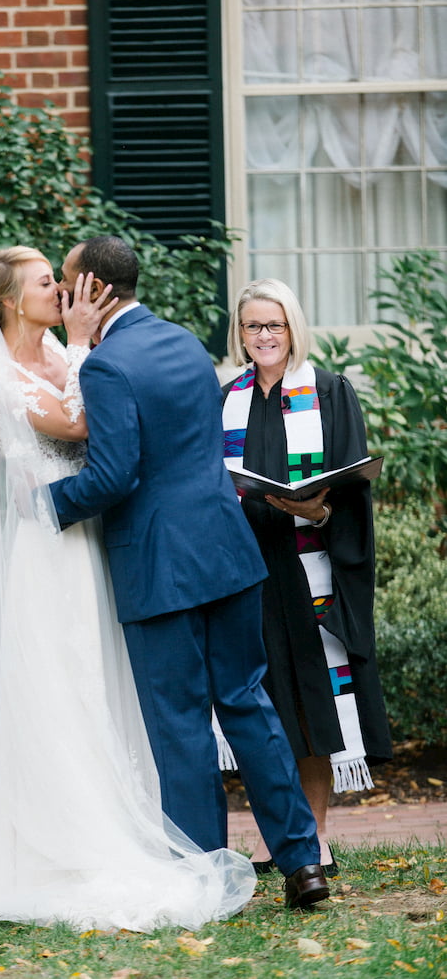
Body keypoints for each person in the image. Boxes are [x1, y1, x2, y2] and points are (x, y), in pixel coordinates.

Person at [0, 246, 257, 932]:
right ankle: (58, 841)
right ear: (10, 300)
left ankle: (130, 821)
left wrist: (79, 352)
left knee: (107, 676)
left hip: (96, 542)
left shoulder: (75, 357)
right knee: (58, 682)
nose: (64, 293)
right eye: (48, 284)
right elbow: (75, 425)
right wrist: (79, 347)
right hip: (45, 551)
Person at [49, 236, 329, 910]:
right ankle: (302, 860)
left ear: (92, 288)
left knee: (178, 722)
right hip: (228, 553)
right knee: (246, 701)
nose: (63, 296)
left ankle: (207, 877)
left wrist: (42, 504)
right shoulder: (184, 343)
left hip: (160, 565)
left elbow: (114, 476)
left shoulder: (107, 366)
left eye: (67, 283)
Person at [220, 277, 392, 873]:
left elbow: (351, 482)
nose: (264, 336)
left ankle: (314, 834)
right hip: (249, 571)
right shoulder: (227, 396)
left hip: (312, 567)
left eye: (275, 324)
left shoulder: (327, 391)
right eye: (252, 326)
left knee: (310, 703)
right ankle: (281, 835)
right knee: (262, 703)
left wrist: (316, 509)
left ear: (293, 327)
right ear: (239, 334)